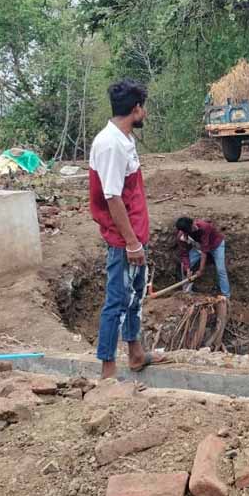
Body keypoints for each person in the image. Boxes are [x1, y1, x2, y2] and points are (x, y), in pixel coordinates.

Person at [88, 79, 165, 379]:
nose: (145, 113)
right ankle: (107, 371)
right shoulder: (111, 145)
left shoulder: (124, 139)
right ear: (135, 109)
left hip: (135, 236)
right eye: (143, 108)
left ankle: (135, 354)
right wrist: (131, 243)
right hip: (124, 240)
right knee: (117, 301)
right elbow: (112, 197)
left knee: (134, 298)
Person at [175, 217, 231, 298]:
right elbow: (184, 254)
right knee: (184, 265)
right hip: (199, 246)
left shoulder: (204, 227)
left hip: (216, 245)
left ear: (193, 222)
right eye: (190, 230)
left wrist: (201, 270)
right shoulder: (182, 236)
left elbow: (204, 251)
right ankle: (186, 292)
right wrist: (187, 269)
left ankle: (226, 295)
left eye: (193, 227)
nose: (193, 229)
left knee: (221, 269)